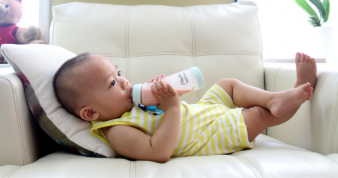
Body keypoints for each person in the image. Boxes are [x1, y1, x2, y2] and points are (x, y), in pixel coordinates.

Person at [53, 52, 317, 163]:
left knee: (228, 85)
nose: (124, 81)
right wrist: (172, 107)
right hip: (211, 135)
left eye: (119, 72)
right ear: (90, 113)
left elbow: (161, 108)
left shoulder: (130, 105)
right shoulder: (116, 130)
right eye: (112, 82)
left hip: (204, 111)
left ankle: (274, 97)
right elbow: (158, 152)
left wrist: (160, 92)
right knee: (258, 116)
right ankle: (290, 96)